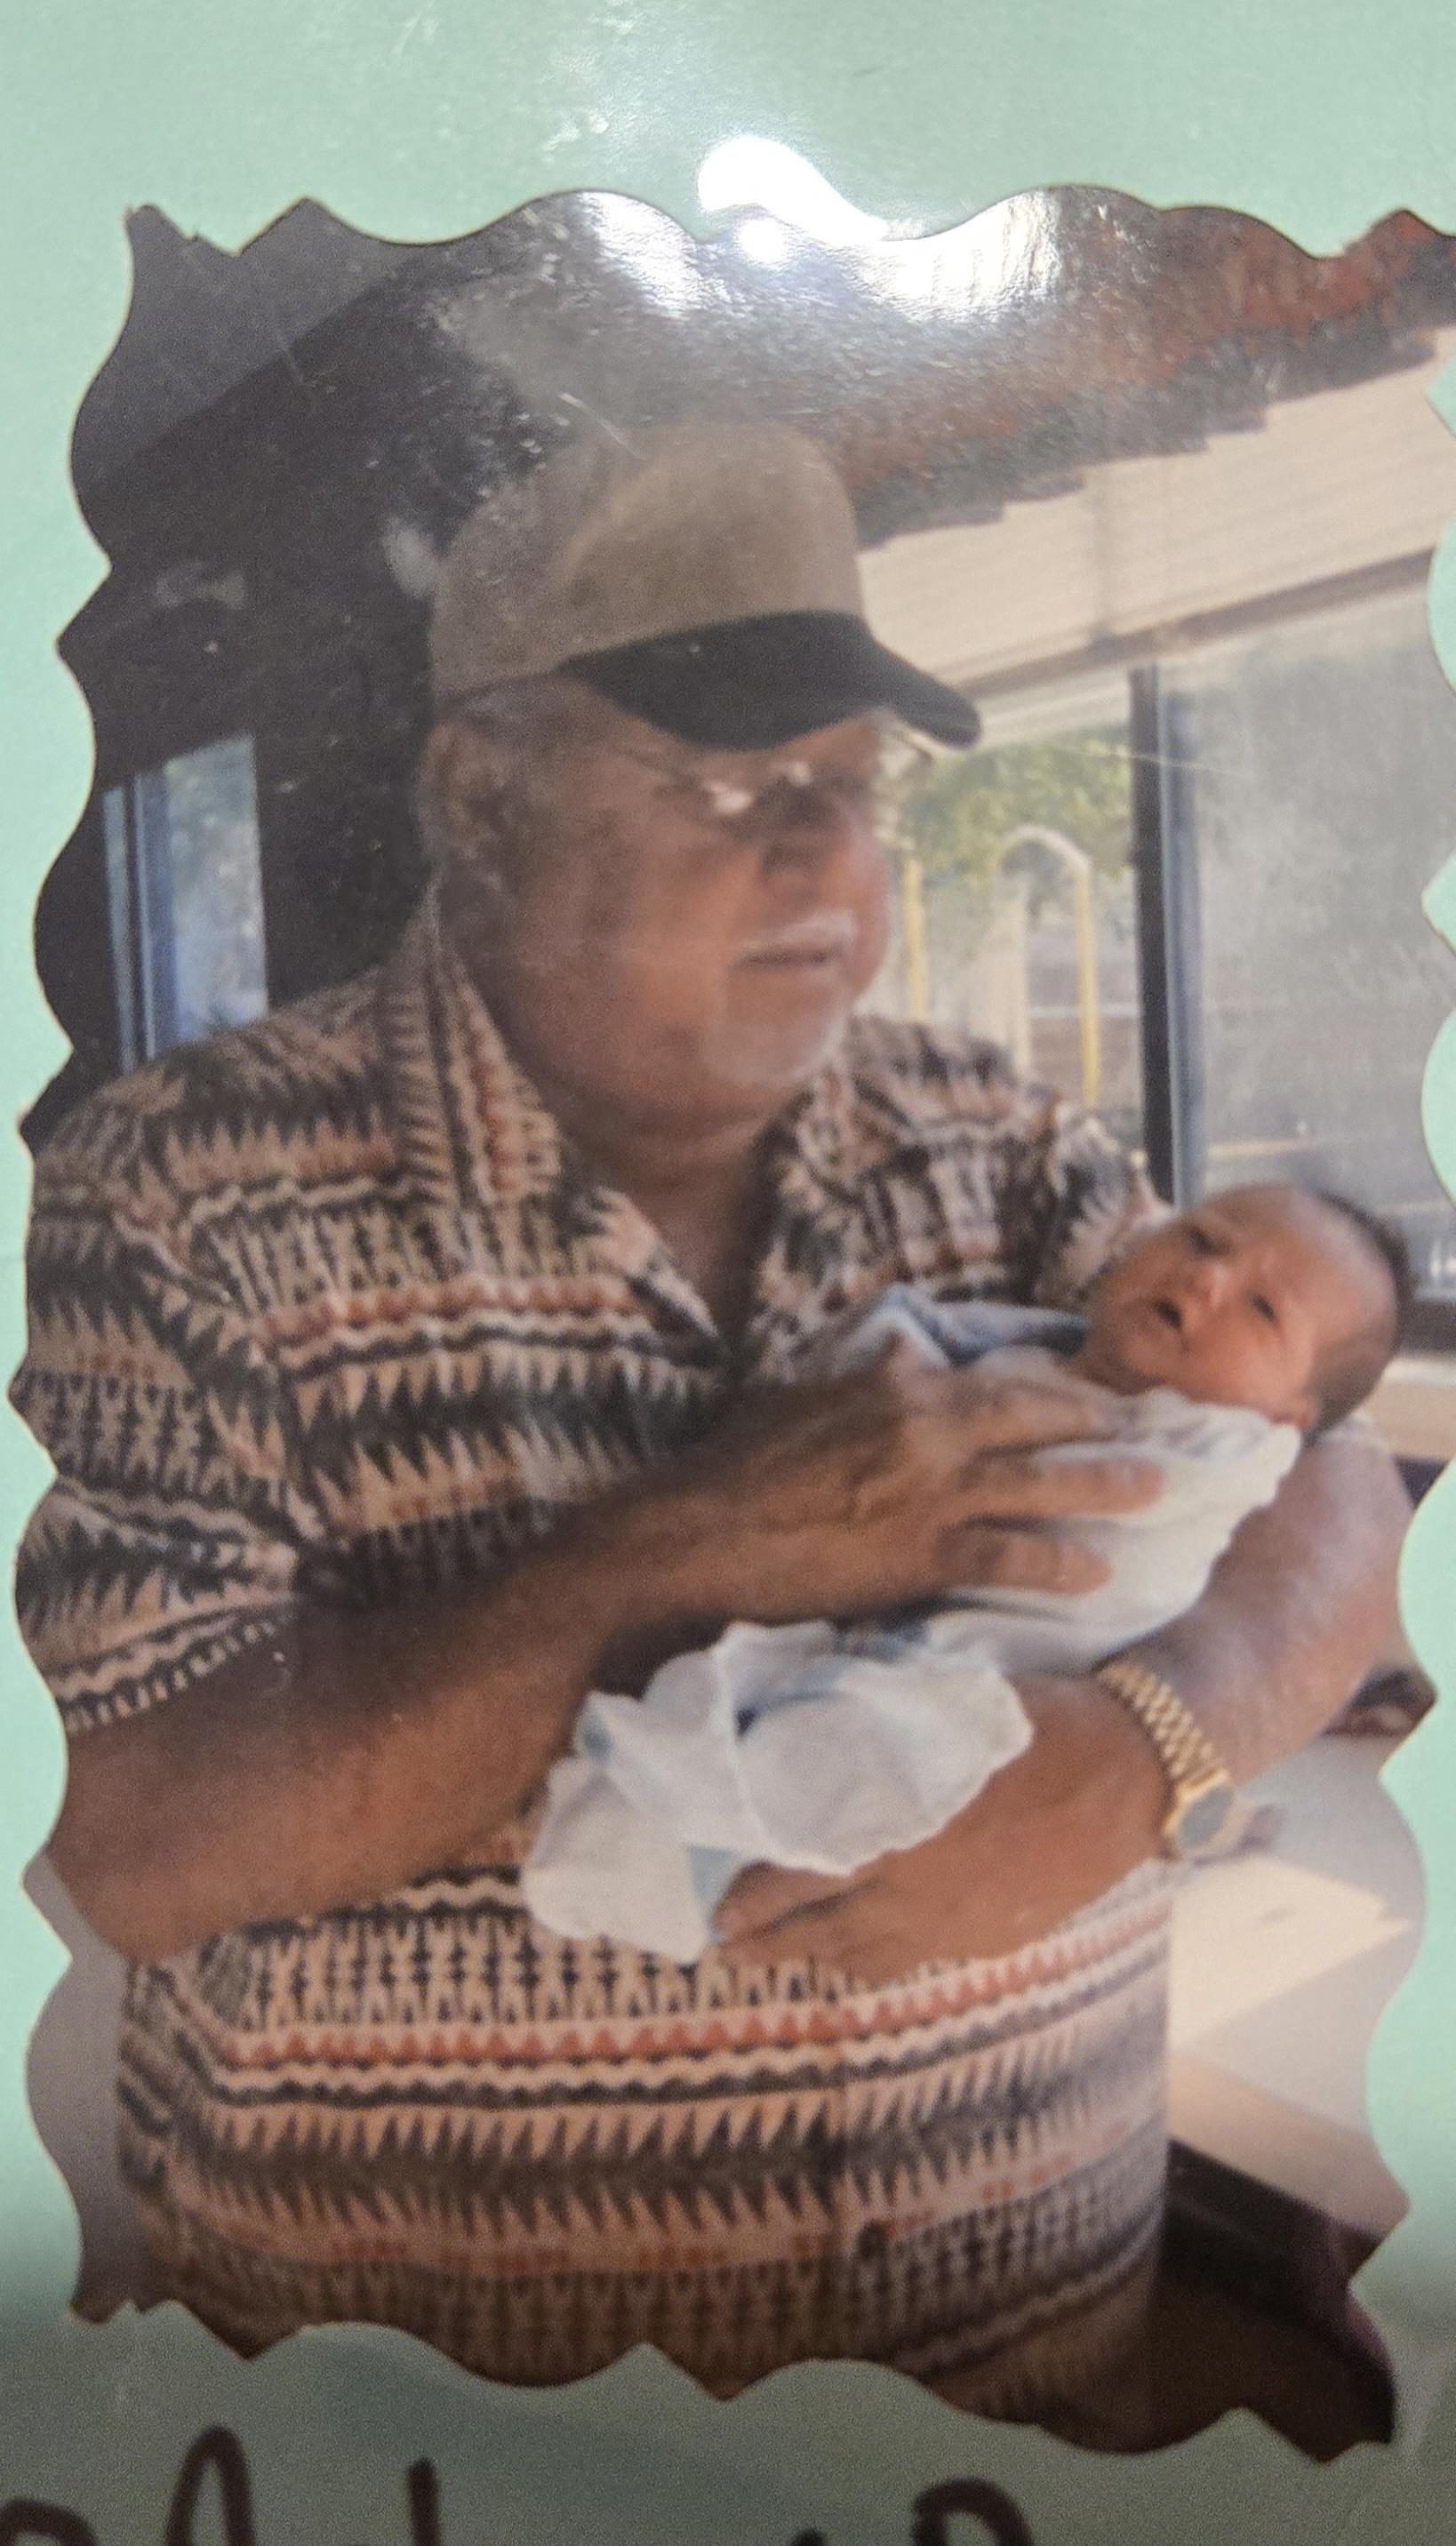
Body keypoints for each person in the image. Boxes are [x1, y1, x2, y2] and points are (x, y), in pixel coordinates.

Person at [13, 423, 1409, 2425]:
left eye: (854, 783)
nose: (830, 862)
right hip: (456, 2424)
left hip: (1010, 2361)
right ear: (482, 797)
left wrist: (1145, 1748)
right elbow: (130, 1843)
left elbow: (1327, 1462)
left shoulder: (993, 1132)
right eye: (733, 783)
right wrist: (683, 1542)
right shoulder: (175, 1194)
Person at [523, 1181, 1409, 1961]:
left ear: (1288, 1417)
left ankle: (677, 1844)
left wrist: (1155, 1753)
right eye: (1202, 1238)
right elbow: (882, 1382)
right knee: (769, 1723)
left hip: (1004, 1674)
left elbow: (1355, 1498)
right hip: (871, 1633)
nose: (1207, 1279)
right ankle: (655, 1831)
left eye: (1263, 1310)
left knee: (868, 1750)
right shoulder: (1007, 1352)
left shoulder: (1216, 1445)